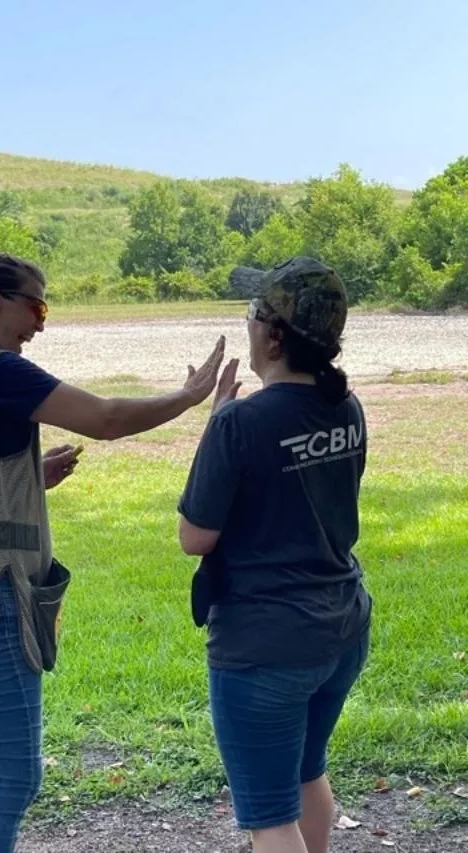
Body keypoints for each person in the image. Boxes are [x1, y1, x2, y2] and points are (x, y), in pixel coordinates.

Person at [0, 253, 226, 853]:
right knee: (14, 777)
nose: (41, 324)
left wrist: (23, 476)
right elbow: (105, 417)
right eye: (36, 307)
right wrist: (189, 395)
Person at [178, 256, 372, 853]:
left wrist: (215, 427)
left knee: (269, 816)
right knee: (307, 772)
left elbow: (194, 537)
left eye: (253, 312)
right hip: (341, 626)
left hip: (265, 643)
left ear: (272, 333)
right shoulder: (347, 407)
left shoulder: (240, 422)